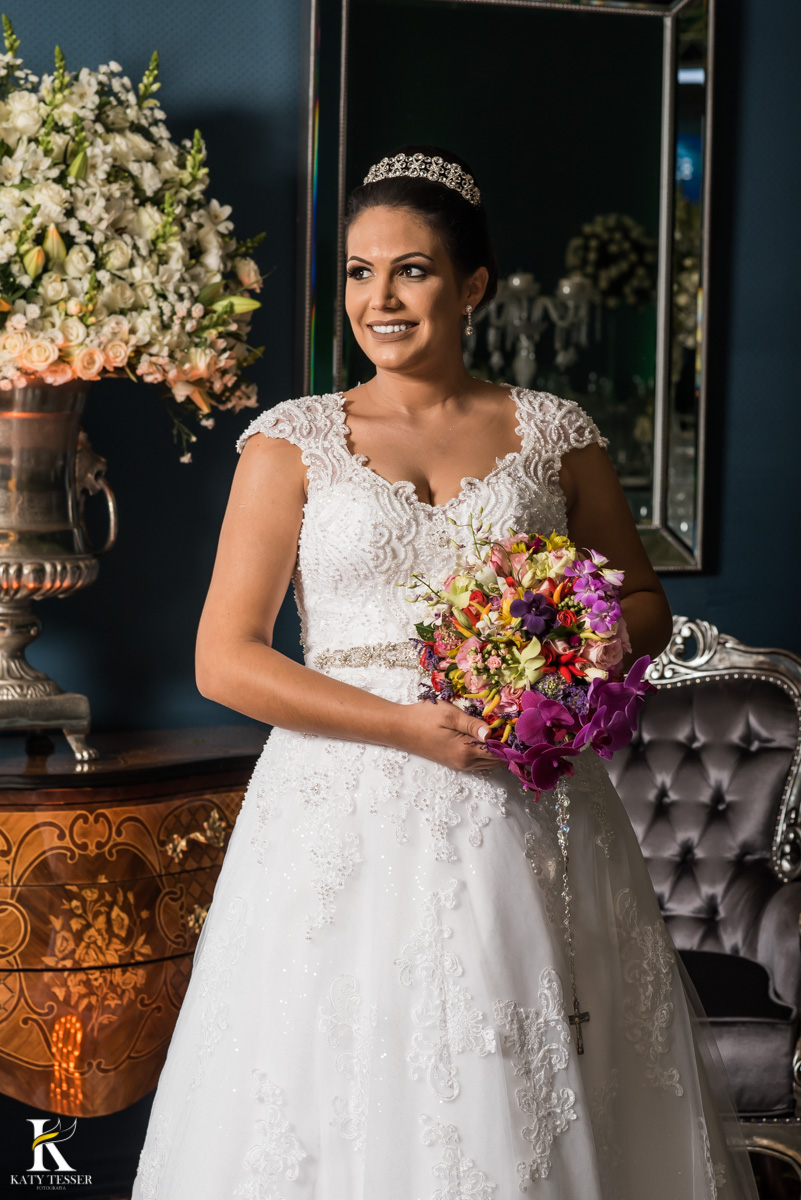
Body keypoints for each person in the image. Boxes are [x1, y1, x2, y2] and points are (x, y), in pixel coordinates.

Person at [131, 146, 760, 1199]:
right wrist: (402, 727)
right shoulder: (290, 444)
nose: (380, 298)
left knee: (528, 1070)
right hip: (342, 810)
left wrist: (611, 640)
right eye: (359, 271)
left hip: (530, 802)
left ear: (472, 285)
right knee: (350, 1073)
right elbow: (223, 660)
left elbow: (643, 600)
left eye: (411, 269)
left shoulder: (555, 435)